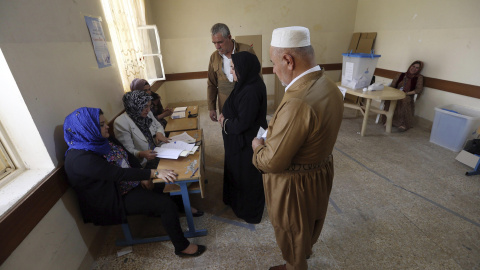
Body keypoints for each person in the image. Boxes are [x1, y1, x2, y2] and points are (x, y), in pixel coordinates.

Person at [251, 27, 344, 270]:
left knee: (292, 232)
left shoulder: (299, 100)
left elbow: (272, 162)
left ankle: (294, 265)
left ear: (288, 60)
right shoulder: (330, 86)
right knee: (308, 224)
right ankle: (299, 258)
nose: (273, 69)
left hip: (294, 185)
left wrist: (258, 148)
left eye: (273, 62)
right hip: (319, 173)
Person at [63, 107, 206, 257]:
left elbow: (127, 155)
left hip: (128, 182)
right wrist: (151, 173)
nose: (106, 126)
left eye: (104, 123)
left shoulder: (101, 140)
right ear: (87, 129)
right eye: (101, 124)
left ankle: (182, 207)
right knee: (165, 205)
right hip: (115, 196)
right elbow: (117, 174)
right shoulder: (80, 159)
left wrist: (144, 176)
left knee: (169, 181)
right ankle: (182, 247)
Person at [217, 51, 267, 224]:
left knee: (246, 176)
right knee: (236, 172)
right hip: (237, 141)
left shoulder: (251, 90)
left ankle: (249, 211)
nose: (231, 72)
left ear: (243, 68)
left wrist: (225, 123)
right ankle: (235, 202)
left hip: (246, 143)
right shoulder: (244, 84)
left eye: (233, 68)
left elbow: (242, 124)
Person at [207, 23, 257, 122]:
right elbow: (211, 83)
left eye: (220, 42)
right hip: (225, 105)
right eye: (214, 43)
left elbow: (257, 79)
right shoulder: (214, 57)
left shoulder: (246, 50)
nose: (217, 46)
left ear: (229, 37)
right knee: (227, 130)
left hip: (245, 103)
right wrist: (211, 107)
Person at [114, 90, 169, 169]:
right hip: (144, 163)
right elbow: (127, 151)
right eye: (145, 106)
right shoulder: (121, 123)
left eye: (149, 106)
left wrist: (159, 133)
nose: (148, 110)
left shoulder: (146, 113)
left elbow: (158, 125)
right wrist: (141, 154)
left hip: (159, 151)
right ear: (134, 106)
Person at [381, 60, 424, 131]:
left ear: (419, 70)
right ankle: (388, 120)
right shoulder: (401, 75)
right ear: (410, 66)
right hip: (396, 93)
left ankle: (403, 124)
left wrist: (406, 93)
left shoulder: (419, 77)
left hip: (407, 94)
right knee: (389, 99)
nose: (414, 68)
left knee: (404, 100)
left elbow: (418, 90)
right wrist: (394, 92)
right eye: (413, 66)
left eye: (417, 68)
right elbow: (392, 85)